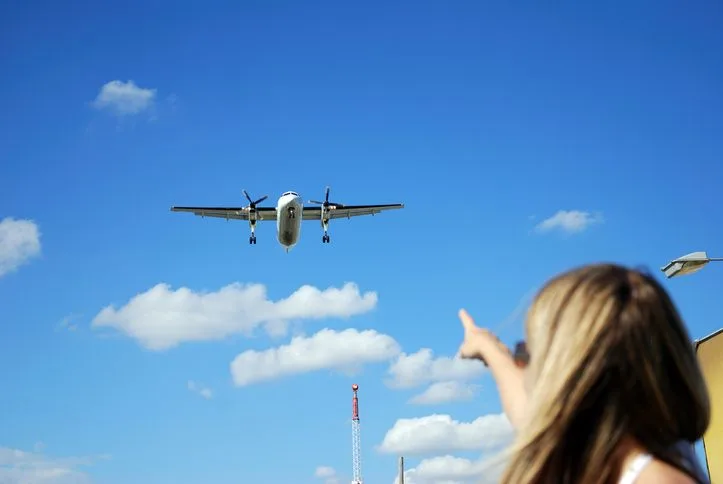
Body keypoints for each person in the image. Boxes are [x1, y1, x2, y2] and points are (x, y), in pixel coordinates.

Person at [458, 263, 710, 484]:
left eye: (526, 352)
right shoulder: (607, 452)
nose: (521, 367)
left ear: (566, 372)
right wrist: (487, 347)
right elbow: (525, 410)